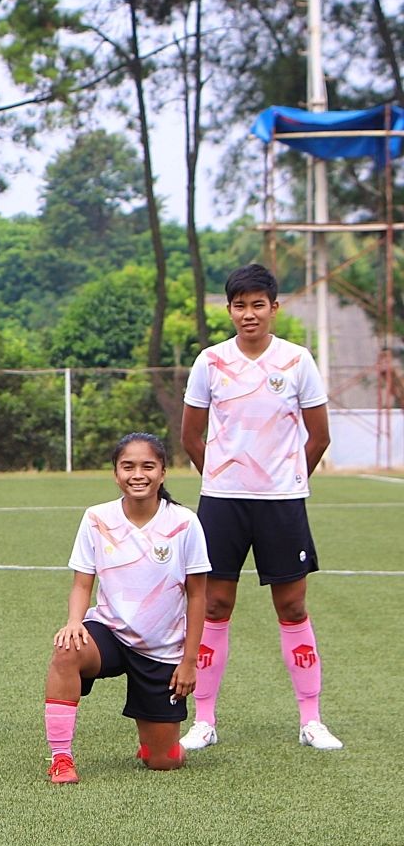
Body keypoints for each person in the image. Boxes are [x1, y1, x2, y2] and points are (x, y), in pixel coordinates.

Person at [179, 264, 342, 750]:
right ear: (228, 310)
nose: (248, 314)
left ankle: (310, 720)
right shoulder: (210, 361)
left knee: (292, 606)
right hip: (223, 504)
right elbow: (191, 435)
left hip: (282, 504)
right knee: (215, 605)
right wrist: (222, 477)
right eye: (239, 305)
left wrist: (288, 480)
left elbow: (320, 436)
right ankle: (203, 722)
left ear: (274, 308)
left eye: (257, 304)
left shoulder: (297, 361)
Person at [45, 433, 208, 784]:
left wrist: (190, 661)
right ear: (116, 473)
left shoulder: (184, 523)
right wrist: (74, 621)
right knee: (66, 649)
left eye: (148, 466)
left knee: (163, 762)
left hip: (161, 649)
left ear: (163, 472)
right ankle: (61, 758)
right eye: (128, 466)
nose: (138, 474)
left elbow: (197, 597)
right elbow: (81, 583)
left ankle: (154, 743)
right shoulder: (96, 518)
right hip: (111, 633)